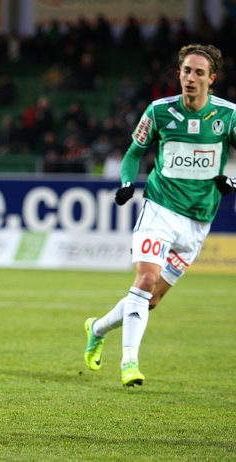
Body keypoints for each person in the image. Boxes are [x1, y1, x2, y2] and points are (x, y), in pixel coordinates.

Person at [83, 44, 236, 387]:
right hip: (160, 209)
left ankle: (96, 329)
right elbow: (133, 152)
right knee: (146, 280)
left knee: (150, 300)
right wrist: (126, 182)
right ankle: (129, 363)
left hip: (199, 220)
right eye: (186, 71)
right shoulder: (159, 111)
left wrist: (233, 180)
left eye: (199, 72)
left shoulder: (228, 116)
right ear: (179, 74)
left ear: (212, 78)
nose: (191, 78)